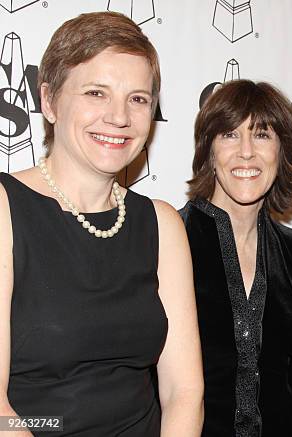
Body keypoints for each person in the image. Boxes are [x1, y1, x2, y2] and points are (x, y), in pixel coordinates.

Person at [0, 12, 203, 436]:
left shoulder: (163, 224)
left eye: (138, 98)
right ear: (50, 101)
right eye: (96, 92)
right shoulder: (5, 209)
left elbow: (184, 392)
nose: (119, 117)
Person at [179, 80, 292, 437]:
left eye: (261, 135)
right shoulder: (171, 239)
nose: (247, 152)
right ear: (209, 152)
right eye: (229, 135)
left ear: (283, 152)